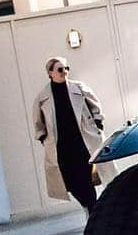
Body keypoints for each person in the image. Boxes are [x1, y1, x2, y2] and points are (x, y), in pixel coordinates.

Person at [32, 57, 110, 213]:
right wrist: (43, 138)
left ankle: (92, 211)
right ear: (50, 73)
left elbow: (96, 107)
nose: (65, 72)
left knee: (86, 180)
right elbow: (38, 122)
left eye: (66, 68)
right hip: (61, 148)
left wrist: (98, 125)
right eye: (60, 69)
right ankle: (89, 207)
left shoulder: (79, 88)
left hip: (82, 143)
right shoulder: (42, 97)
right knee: (70, 182)